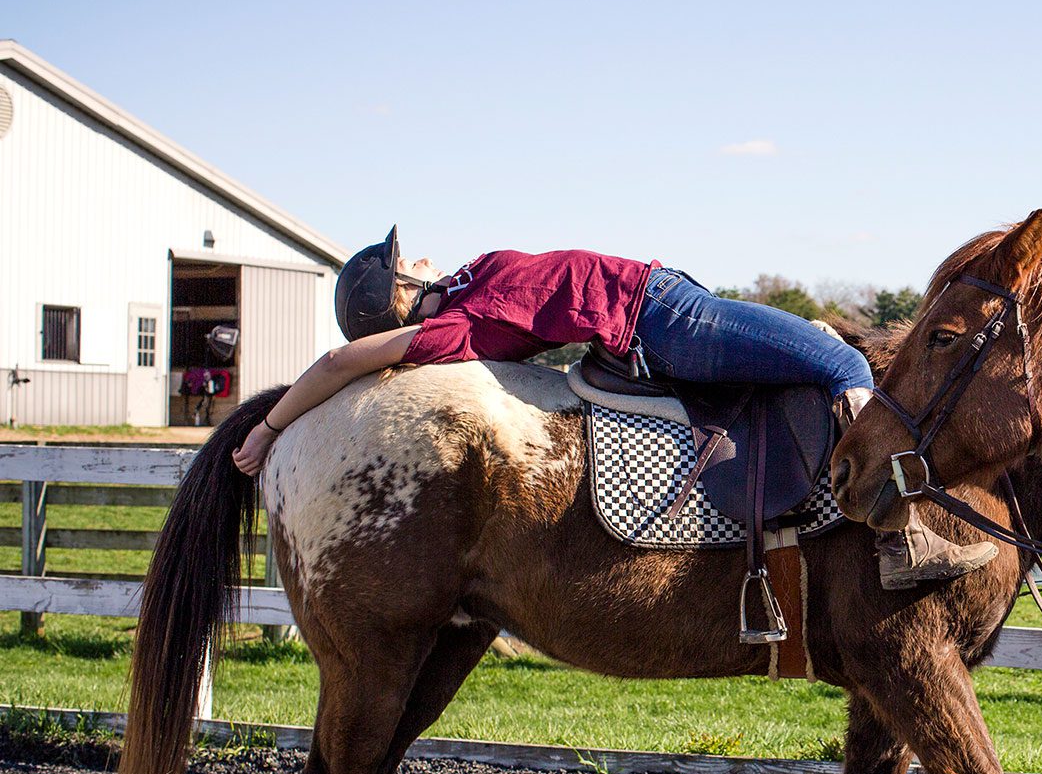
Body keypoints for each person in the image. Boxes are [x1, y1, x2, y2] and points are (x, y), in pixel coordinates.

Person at [231, 230, 997, 589]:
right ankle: (901, 537)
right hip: (661, 317)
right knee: (844, 363)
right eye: (404, 264)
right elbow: (337, 364)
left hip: (664, 301)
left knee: (823, 349)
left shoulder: (462, 287)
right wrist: (268, 428)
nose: (418, 257)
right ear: (395, 297)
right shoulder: (445, 328)